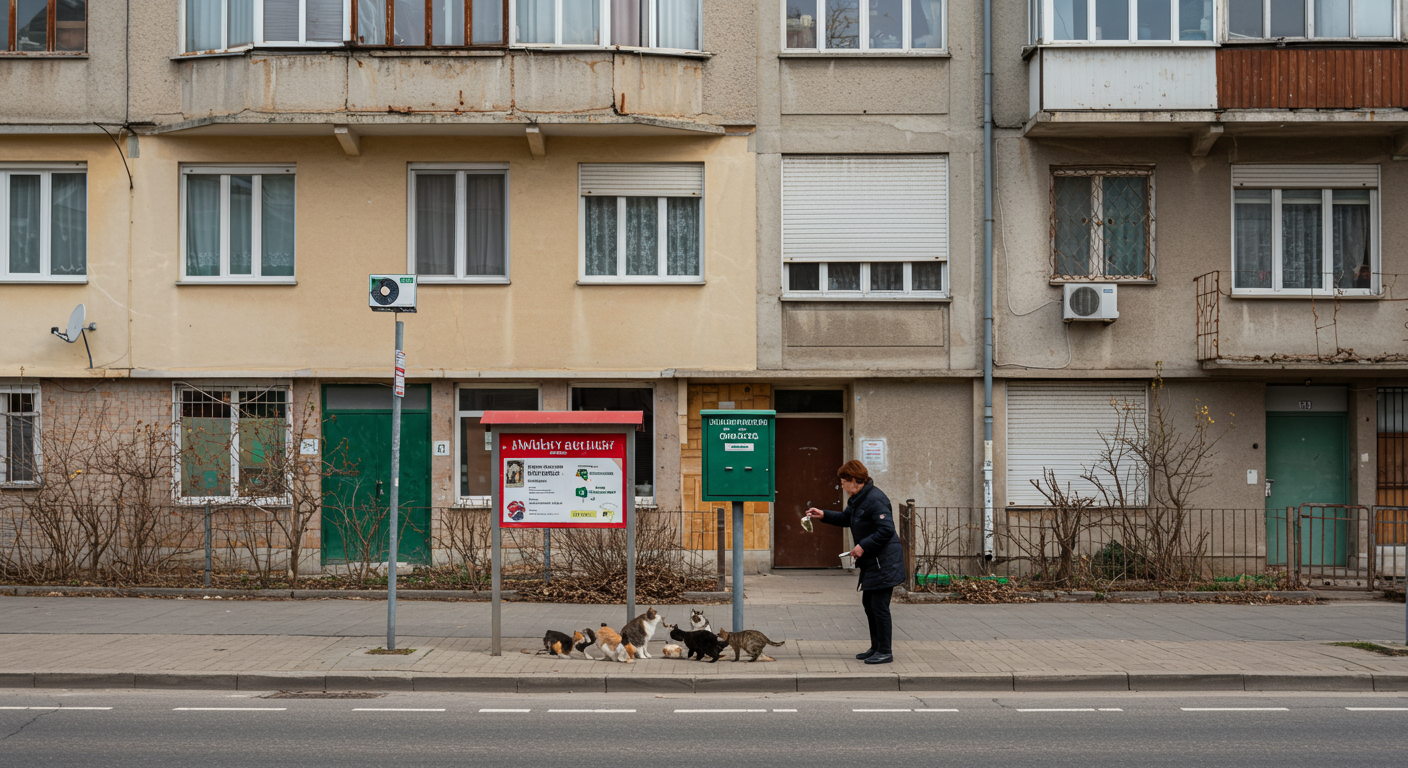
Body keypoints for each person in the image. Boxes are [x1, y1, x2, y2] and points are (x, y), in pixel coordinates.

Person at [805, 460, 904, 665]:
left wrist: (863, 546)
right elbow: (845, 518)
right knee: (869, 604)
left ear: (854, 481)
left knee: (879, 606)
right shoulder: (858, 498)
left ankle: (885, 651)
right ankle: (876, 647)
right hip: (873, 561)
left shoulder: (875, 499)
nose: (841, 485)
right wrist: (822, 514)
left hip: (884, 561)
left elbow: (886, 530)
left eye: (843, 481)